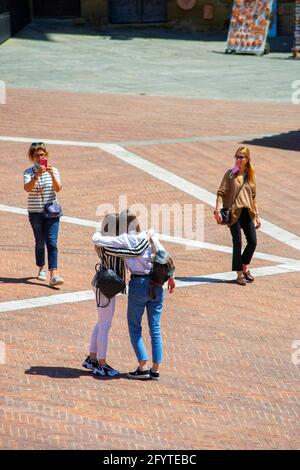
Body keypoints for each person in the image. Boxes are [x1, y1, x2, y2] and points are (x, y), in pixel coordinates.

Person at [92, 210, 176, 381]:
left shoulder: (125, 239)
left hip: (138, 284)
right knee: (155, 328)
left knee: (135, 328)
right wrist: (172, 278)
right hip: (157, 284)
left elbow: (97, 239)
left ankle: (142, 366)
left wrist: (101, 232)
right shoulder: (150, 236)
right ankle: (156, 368)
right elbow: (164, 256)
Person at [83, 213, 151, 377]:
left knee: (101, 323)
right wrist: (148, 236)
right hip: (107, 286)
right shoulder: (113, 246)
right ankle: (102, 364)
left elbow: (97, 237)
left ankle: (91, 358)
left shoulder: (105, 242)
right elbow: (135, 250)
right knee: (105, 325)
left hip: (103, 285)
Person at [214, 147, 261, 286]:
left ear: (247, 159)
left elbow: (253, 198)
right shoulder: (230, 174)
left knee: (253, 242)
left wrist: (257, 216)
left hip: (247, 213)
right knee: (238, 242)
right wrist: (217, 210)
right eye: (237, 157)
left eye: (241, 157)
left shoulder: (251, 175)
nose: (238, 160)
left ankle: (245, 267)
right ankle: (239, 274)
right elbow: (221, 192)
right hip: (234, 213)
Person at [23, 142, 64, 287]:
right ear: (32, 156)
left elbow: (58, 189)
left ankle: (54, 273)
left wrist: (51, 174)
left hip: (52, 211)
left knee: (52, 242)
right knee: (40, 242)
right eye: (37, 155)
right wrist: (37, 175)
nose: (40, 158)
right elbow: (27, 189)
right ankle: (41, 267)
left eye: (42, 155)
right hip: (35, 212)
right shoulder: (28, 172)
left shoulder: (54, 170)